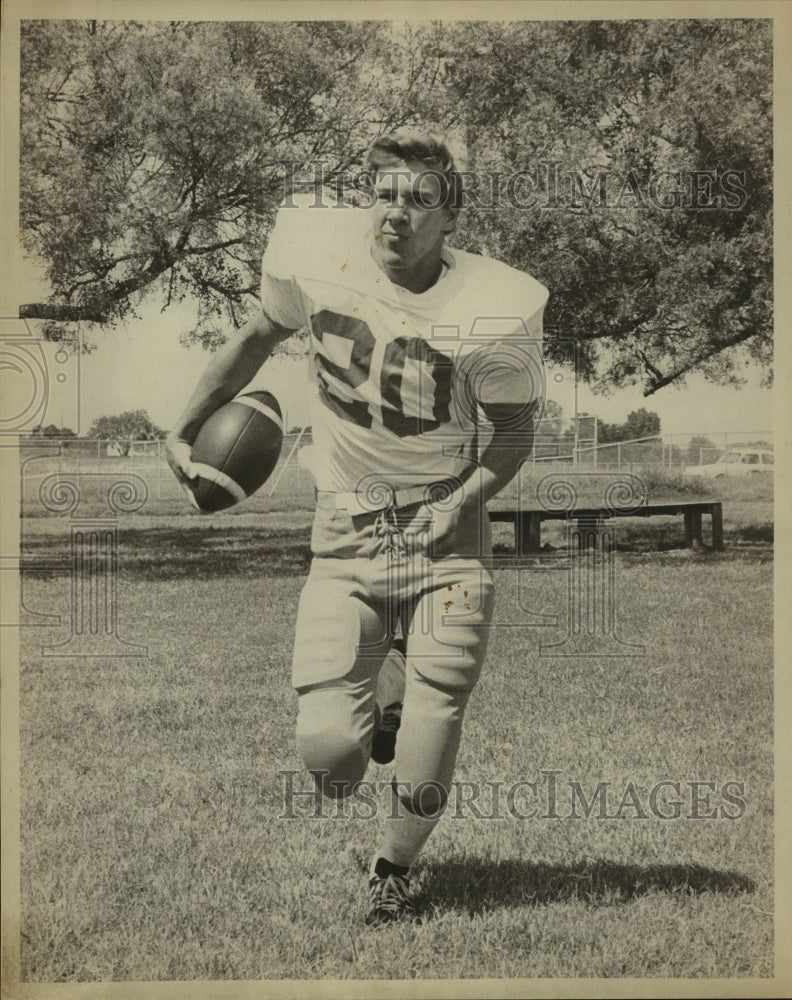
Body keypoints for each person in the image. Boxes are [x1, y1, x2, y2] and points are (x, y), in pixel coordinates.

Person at [166, 131, 548, 926]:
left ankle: (394, 867)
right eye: (385, 193)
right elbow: (255, 339)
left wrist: (462, 501)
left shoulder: (498, 303)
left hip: (448, 535)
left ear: (451, 218)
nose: (397, 212)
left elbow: (513, 431)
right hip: (345, 526)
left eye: (420, 198)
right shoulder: (314, 251)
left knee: (436, 721)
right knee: (333, 761)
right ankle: (383, 688)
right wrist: (188, 423)